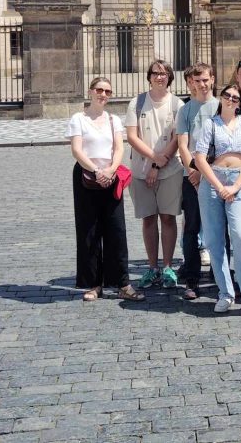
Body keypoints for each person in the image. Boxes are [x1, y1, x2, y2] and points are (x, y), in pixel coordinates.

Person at [66, 77, 143, 302]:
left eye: (108, 92)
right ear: (90, 91)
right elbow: (77, 150)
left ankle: (122, 283)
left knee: (116, 229)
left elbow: (119, 148)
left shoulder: (113, 119)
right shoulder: (78, 119)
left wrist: (110, 170)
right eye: (99, 90)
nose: (103, 95)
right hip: (86, 176)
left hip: (111, 176)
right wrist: (96, 170)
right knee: (89, 230)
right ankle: (93, 284)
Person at [194, 83, 241, 315]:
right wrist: (219, 186)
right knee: (214, 240)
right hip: (213, 182)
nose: (231, 99)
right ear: (221, 98)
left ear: (240, 103)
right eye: (227, 96)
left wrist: (236, 185)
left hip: (238, 181)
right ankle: (225, 293)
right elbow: (200, 158)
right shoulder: (210, 124)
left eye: (235, 97)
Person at [125, 59, 184, 291]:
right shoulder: (137, 102)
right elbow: (132, 137)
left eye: (164, 73)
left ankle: (167, 266)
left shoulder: (177, 104)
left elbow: (178, 138)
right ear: (149, 77)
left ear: (170, 77)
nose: (160, 77)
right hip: (141, 170)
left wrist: (159, 164)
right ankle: (152, 267)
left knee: (168, 218)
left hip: (170, 170)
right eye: (155, 73)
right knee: (148, 218)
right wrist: (153, 159)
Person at [174, 62, 218, 300]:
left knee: (219, 227)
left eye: (206, 80)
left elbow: (222, 144)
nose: (202, 84)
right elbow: (183, 144)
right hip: (190, 177)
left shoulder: (221, 106)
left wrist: (203, 172)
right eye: (198, 80)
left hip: (216, 175)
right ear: (192, 83)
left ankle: (220, 275)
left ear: (212, 80)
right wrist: (193, 171)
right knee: (191, 227)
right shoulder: (185, 110)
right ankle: (192, 278)